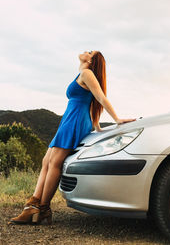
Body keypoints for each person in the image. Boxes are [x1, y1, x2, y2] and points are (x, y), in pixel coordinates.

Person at [10, 50, 136, 225]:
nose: (86, 51)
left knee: (55, 162)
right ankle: (32, 206)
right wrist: (97, 125)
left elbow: (100, 97)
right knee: (46, 160)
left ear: (91, 61)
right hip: (69, 120)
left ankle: (44, 208)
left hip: (75, 121)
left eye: (90, 52)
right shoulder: (82, 73)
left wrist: (116, 119)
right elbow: (91, 100)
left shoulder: (87, 73)